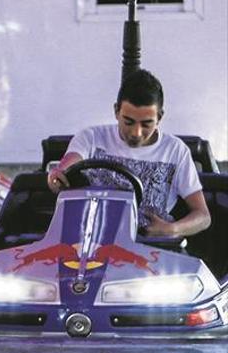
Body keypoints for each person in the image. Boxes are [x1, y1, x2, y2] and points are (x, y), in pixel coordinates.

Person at [47, 69, 210, 238]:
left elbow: (203, 216)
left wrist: (171, 229)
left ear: (159, 117)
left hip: (148, 245)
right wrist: (60, 172)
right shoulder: (91, 138)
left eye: (146, 124)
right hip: (89, 238)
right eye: (128, 122)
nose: (136, 132)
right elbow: (70, 161)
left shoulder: (175, 151)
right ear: (116, 111)